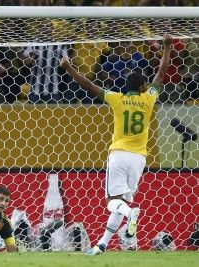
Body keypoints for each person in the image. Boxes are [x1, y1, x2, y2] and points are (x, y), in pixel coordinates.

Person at [59, 34, 172, 255]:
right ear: (142, 87)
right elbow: (162, 72)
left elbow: (89, 85)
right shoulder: (148, 99)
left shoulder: (116, 98)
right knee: (121, 202)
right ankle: (102, 244)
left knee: (113, 201)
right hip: (139, 158)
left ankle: (130, 214)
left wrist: (69, 68)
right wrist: (167, 46)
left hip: (119, 153)